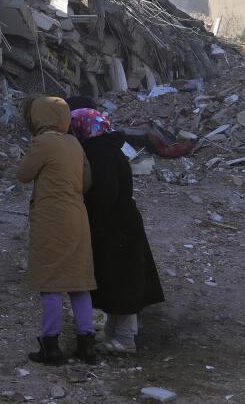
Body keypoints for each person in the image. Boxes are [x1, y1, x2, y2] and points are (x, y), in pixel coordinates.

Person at [69, 107, 165, 354]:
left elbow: (104, 194)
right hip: (122, 223)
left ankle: (125, 338)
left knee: (120, 281)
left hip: (114, 227)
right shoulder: (109, 147)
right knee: (118, 280)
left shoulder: (98, 152)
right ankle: (115, 333)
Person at [16, 96, 98, 365]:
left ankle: (50, 348)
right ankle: (87, 345)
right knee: (79, 283)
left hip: (51, 220)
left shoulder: (43, 142)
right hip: (77, 217)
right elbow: (86, 182)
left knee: (50, 283)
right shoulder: (75, 143)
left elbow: (24, 174)